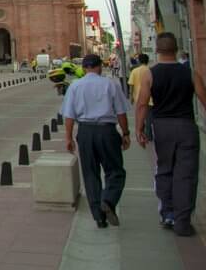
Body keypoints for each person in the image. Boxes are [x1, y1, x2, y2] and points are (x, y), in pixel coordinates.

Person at [135, 33, 206, 236]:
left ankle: (168, 214)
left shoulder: (150, 74)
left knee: (165, 169)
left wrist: (139, 130)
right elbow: (203, 97)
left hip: (162, 126)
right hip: (186, 126)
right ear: (176, 49)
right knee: (187, 174)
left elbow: (141, 104)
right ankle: (183, 221)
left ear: (157, 50)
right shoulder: (191, 73)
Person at [61, 54, 131, 228]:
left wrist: (68, 138)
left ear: (84, 68)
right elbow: (121, 112)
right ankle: (108, 199)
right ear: (100, 67)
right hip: (107, 131)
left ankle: (99, 217)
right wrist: (126, 133)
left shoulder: (75, 86)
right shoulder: (110, 84)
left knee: (90, 173)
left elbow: (69, 115)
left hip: (85, 132)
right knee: (115, 171)